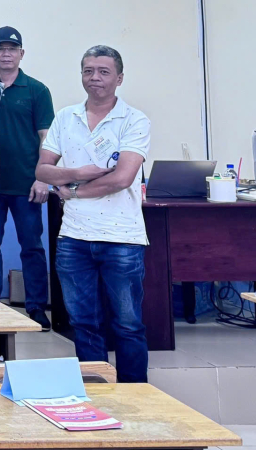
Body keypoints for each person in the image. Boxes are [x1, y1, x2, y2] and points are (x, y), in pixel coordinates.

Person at [36, 46, 150, 383]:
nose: (94, 77)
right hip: (73, 238)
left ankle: (135, 396)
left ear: (119, 78)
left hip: (122, 238)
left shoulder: (134, 120)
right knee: (84, 323)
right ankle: (97, 395)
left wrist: (73, 190)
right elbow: (42, 170)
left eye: (103, 71)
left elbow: (122, 178)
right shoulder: (65, 117)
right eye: (88, 71)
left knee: (128, 325)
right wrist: (80, 172)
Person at [0, 26, 55, 329]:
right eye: (0, 48)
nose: (6, 54)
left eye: (12, 49)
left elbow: (46, 138)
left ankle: (37, 306)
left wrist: (42, 178)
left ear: (21, 53)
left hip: (26, 185)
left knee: (32, 246)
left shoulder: (37, 90)